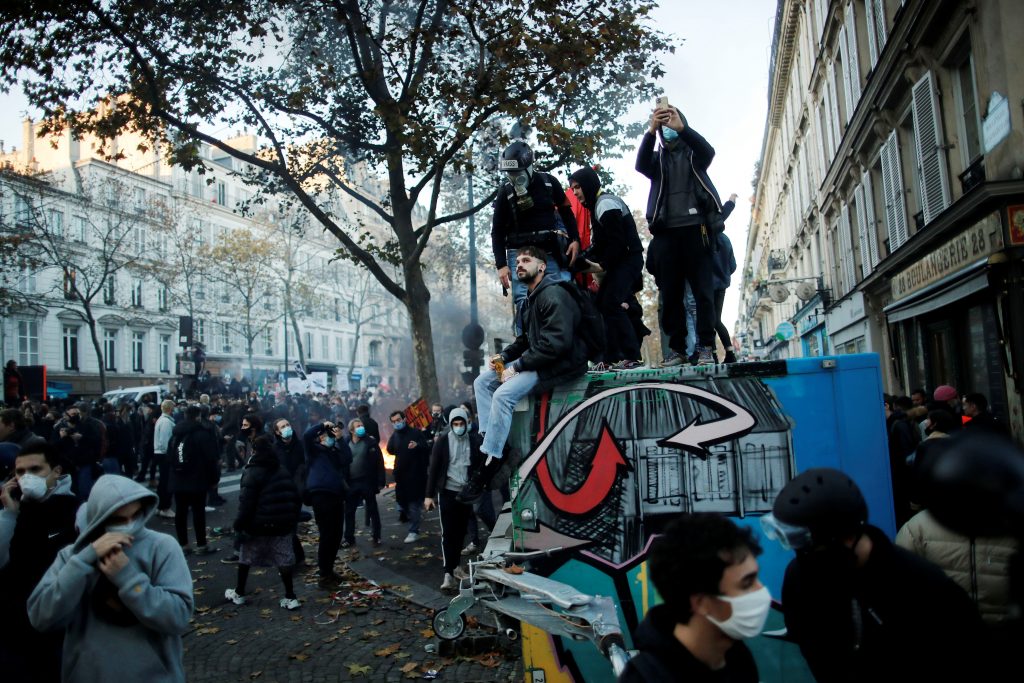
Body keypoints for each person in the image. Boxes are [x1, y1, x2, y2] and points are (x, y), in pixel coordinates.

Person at [761, 467, 986, 682]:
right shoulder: (800, 577)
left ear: (845, 536)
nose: (801, 553)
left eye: (807, 543)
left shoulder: (925, 587)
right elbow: (808, 643)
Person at [26, 475, 194, 683]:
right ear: (99, 517)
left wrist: (128, 578)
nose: (129, 525)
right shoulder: (72, 555)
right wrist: (83, 561)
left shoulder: (162, 547)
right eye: (118, 519)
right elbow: (41, 616)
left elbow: (178, 617)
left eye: (135, 515)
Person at [461, 246, 588, 503]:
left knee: (504, 394)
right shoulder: (529, 300)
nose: (519, 264)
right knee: (482, 382)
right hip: (540, 360)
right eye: (517, 261)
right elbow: (524, 341)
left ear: (542, 267)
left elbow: (556, 344)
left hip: (559, 364)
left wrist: (516, 368)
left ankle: (491, 461)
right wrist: (505, 357)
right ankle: (495, 443)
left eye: (526, 260)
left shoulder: (553, 294)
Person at [619, 513, 766, 682]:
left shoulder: (737, 657)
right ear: (701, 602)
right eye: (747, 583)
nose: (761, 590)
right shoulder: (645, 679)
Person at [636, 103, 725, 366]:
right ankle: (677, 349)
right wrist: (651, 131)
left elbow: (708, 151)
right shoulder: (657, 161)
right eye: (664, 126)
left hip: (696, 229)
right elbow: (640, 164)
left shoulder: (695, 156)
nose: (668, 130)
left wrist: (683, 128)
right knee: (670, 296)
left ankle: (706, 347)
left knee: (703, 294)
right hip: (666, 233)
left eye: (670, 123)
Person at [0, 443, 79, 683]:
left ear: (56, 471)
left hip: (58, 625)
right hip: (15, 624)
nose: (26, 477)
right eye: (20, 472)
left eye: (35, 469)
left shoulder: (76, 511)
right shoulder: (17, 508)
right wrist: (9, 513)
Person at [491, 141, 580, 330]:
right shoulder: (505, 191)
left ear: (530, 167)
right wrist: (501, 264)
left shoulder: (549, 182)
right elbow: (497, 230)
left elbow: (566, 212)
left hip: (549, 251)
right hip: (519, 254)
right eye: (511, 174)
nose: (515, 178)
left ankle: (563, 346)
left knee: (560, 296)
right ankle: (528, 352)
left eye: (518, 173)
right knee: (524, 303)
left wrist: (574, 240)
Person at [568, 166, 646, 368]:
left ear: (588, 184)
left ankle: (631, 356)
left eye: (577, 187)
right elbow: (600, 244)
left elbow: (617, 243)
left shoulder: (606, 204)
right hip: (622, 261)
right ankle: (612, 358)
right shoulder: (597, 207)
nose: (575, 193)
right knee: (604, 304)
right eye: (572, 188)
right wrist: (582, 258)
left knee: (610, 302)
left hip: (628, 260)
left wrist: (599, 265)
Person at [224, 436, 302, 610]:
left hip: (257, 525)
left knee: (246, 557)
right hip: (282, 525)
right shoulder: (281, 470)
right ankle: (290, 596)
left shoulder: (252, 472)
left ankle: (240, 592)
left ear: (254, 452)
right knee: (284, 560)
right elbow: (294, 496)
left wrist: (239, 524)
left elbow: (246, 502)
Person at [424, 407, 485, 591]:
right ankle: (448, 573)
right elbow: (433, 469)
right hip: (448, 492)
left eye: (461, 423)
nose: (459, 427)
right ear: (450, 424)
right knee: (448, 533)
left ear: (467, 423)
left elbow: (478, 465)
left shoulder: (474, 441)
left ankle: (456, 566)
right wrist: (429, 495)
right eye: (455, 424)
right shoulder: (443, 441)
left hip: (465, 493)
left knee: (460, 532)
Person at [166, 405, 219, 555]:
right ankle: (201, 545)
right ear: (198, 416)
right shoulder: (202, 434)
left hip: (178, 478)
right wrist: (214, 479)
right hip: (197, 478)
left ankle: (183, 544)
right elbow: (211, 459)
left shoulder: (175, 434)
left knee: (180, 512)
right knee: (198, 512)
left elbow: (169, 456)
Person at [304, 421, 351, 587]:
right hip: (321, 495)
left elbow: (347, 459)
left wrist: (340, 439)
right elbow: (307, 436)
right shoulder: (314, 451)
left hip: (337, 495)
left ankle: (329, 570)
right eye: (326, 436)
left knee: (336, 534)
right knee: (327, 534)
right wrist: (322, 425)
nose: (328, 438)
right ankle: (324, 574)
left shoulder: (334, 451)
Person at [388, 410, 430, 543]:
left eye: (398, 420)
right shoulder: (394, 435)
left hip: (415, 475)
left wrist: (417, 445)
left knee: (413, 504)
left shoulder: (415, 433)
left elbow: (426, 447)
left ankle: (414, 531)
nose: (396, 423)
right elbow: (390, 449)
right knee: (402, 503)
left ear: (404, 419)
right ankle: (415, 517)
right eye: (394, 422)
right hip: (401, 476)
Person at [344, 417, 385, 548]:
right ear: (351, 430)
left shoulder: (370, 442)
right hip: (351, 483)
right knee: (349, 511)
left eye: (361, 425)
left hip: (367, 481)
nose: (361, 427)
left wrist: (380, 480)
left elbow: (379, 462)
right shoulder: (345, 443)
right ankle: (349, 538)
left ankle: (376, 536)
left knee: (372, 509)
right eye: (357, 426)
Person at [51, 403, 105, 502]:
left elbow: (96, 441)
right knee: (71, 491)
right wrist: (62, 438)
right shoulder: (59, 428)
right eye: (73, 414)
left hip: (84, 463)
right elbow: (53, 446)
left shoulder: (87, 426)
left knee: (85, 490)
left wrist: (82, 438)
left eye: (77, 414)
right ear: (66, 415)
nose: (75, 416)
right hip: (67, 465)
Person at [710, 194, 738, 364]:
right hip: (722, 284)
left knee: (711, 320)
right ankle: (727, 352)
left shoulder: (708, 239)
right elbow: (733, 265)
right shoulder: (726, 240)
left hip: (709, 284)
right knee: (715, 319)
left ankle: (717, 353)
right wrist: (725, 274)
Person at [152, 399, 176, 517]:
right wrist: (170, 454)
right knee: (167, 482)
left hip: (160, 453)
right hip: (165, 454)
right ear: (170, 409)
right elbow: (165, 441)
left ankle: (161, 506)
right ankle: (165, 507)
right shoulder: (166, 422)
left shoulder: (162, 420)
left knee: (163, 481)